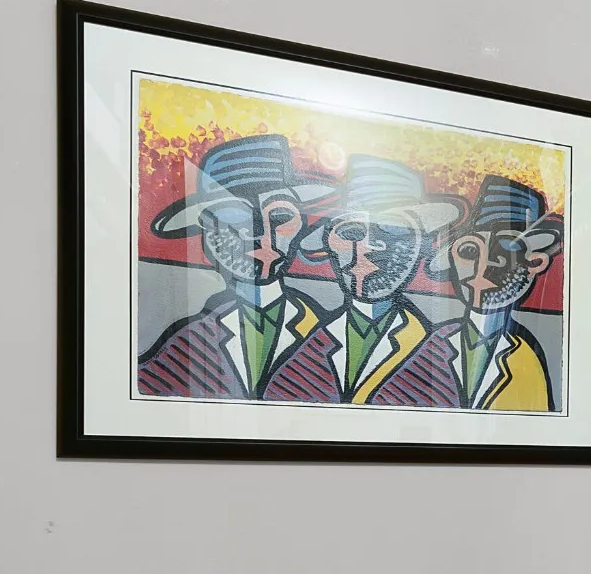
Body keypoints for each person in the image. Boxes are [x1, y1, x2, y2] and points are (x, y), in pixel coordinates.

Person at [136, 134, 337, 401]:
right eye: (236, 217)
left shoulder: (329, 336)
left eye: (280, 217)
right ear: (207, 232)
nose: (262, 235)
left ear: (300, 226)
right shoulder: (186, 343)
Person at [298, 155, 465, 406]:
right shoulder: (309, 342)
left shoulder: (436, 351)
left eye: (394, 230)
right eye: (351, 232)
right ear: (330, 243)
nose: (366, 248)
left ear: (420, 246)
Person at [429, 174, 565, 411]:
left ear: (535, 263)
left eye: (504, 253)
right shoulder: (430, 345)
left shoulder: (526, 358)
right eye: (470, 251)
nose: (481, 270)